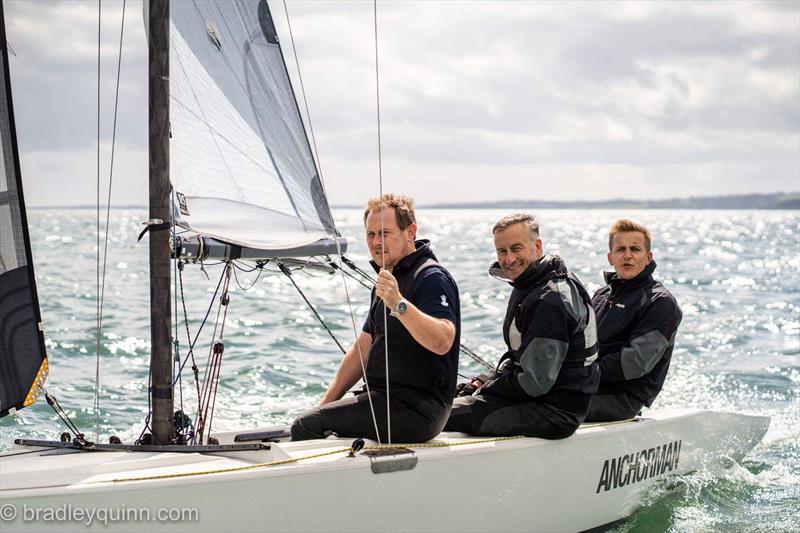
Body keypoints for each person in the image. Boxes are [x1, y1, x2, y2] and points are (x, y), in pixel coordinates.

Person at [291, 194, 460, 442]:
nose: (376, 242)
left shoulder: (431, 277)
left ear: (410, 232)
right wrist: (324, 405)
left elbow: (443, 340)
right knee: (313, 419)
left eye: (384, 233)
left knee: (305, 427)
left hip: (418, 410)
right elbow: (364, 348)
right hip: (383, 400)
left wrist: (398, 303)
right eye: (370, 235)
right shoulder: (388, 278)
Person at [444, 214, 599, 439]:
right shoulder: (532, 282)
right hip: (538, 399)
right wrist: (487, 380)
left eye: (516, 248)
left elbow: (535, 383)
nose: (508, 259)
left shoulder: (549, 299)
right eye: (502, 251)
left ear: (537, 246)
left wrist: (487, 388)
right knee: (447, 397)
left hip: (555, 412)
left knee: (436, 414)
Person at [585, 219, 682, 422]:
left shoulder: (660, 302)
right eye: (620, 249)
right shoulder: (601, 295)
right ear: (611, 257)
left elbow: (635, 362)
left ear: (648, 257)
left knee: (551, 404)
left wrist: (578, 374)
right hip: (587, 385)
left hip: (623, 398)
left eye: (635, 249)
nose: (627, 255)